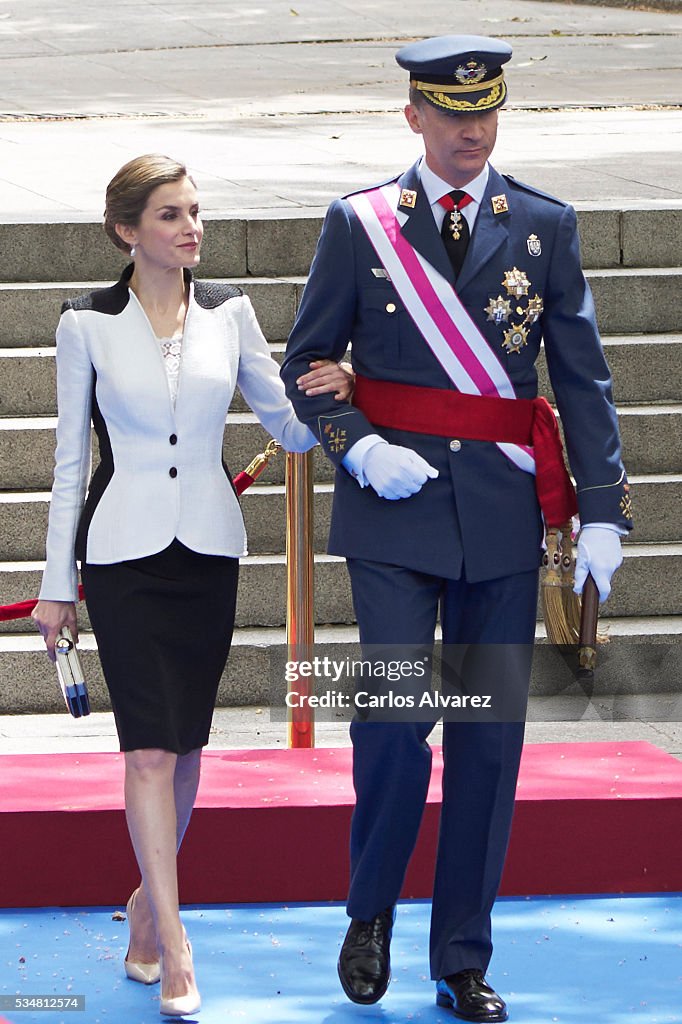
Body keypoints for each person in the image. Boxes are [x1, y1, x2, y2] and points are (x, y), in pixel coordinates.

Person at [281, 35, 632, 1023]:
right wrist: (354, 448)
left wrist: (602, 510)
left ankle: (462, 958)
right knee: (394, 725)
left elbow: (583, 376)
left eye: (484, 113)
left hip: (499, 518)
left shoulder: (544, 227)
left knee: (487, 742)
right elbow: (306, 364)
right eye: (450, 112)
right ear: (414, 118)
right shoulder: (359, 226)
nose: (470, 129)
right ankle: (369, 913)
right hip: (393, 517)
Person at [31, 154, 352, 1018]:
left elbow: (284, 424)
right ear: (128, 230)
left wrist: (336, 394)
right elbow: (70, 466)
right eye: (171, 215)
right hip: (123, 554)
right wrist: (56, 584)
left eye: (196, 212)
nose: (191, 228)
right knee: (146, 749)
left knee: (188, 751)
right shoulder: (85, 325)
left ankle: (145, 906)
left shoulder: (231, 316)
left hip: (207, 551)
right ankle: (176, 945)